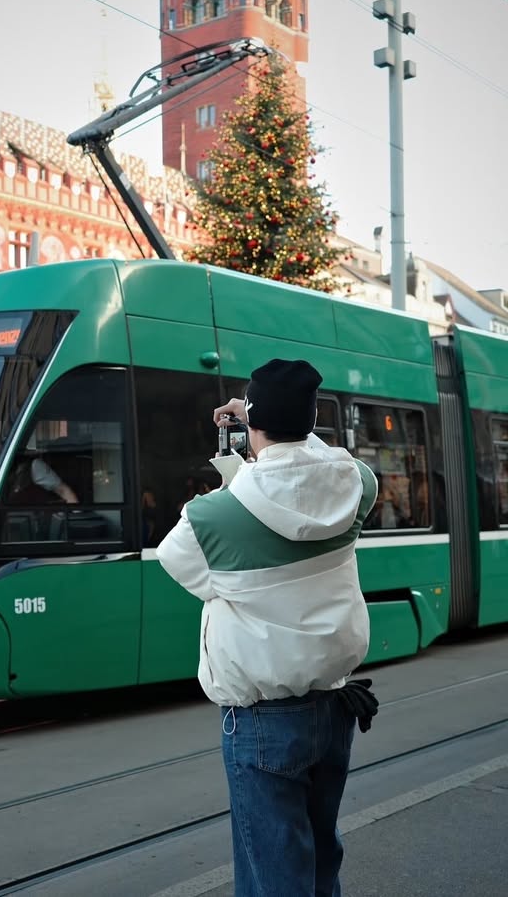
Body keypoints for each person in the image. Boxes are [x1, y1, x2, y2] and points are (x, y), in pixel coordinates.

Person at [156, 358, 379, 897]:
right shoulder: (357, 487)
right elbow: (320, 467)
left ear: (251, 422)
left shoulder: (210, 517)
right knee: (320, 858)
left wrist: (247, 460)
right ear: (314, 419)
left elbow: (188, 567)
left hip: (263, 724)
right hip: (335, 710)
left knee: (273, 875)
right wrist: (272, 433)